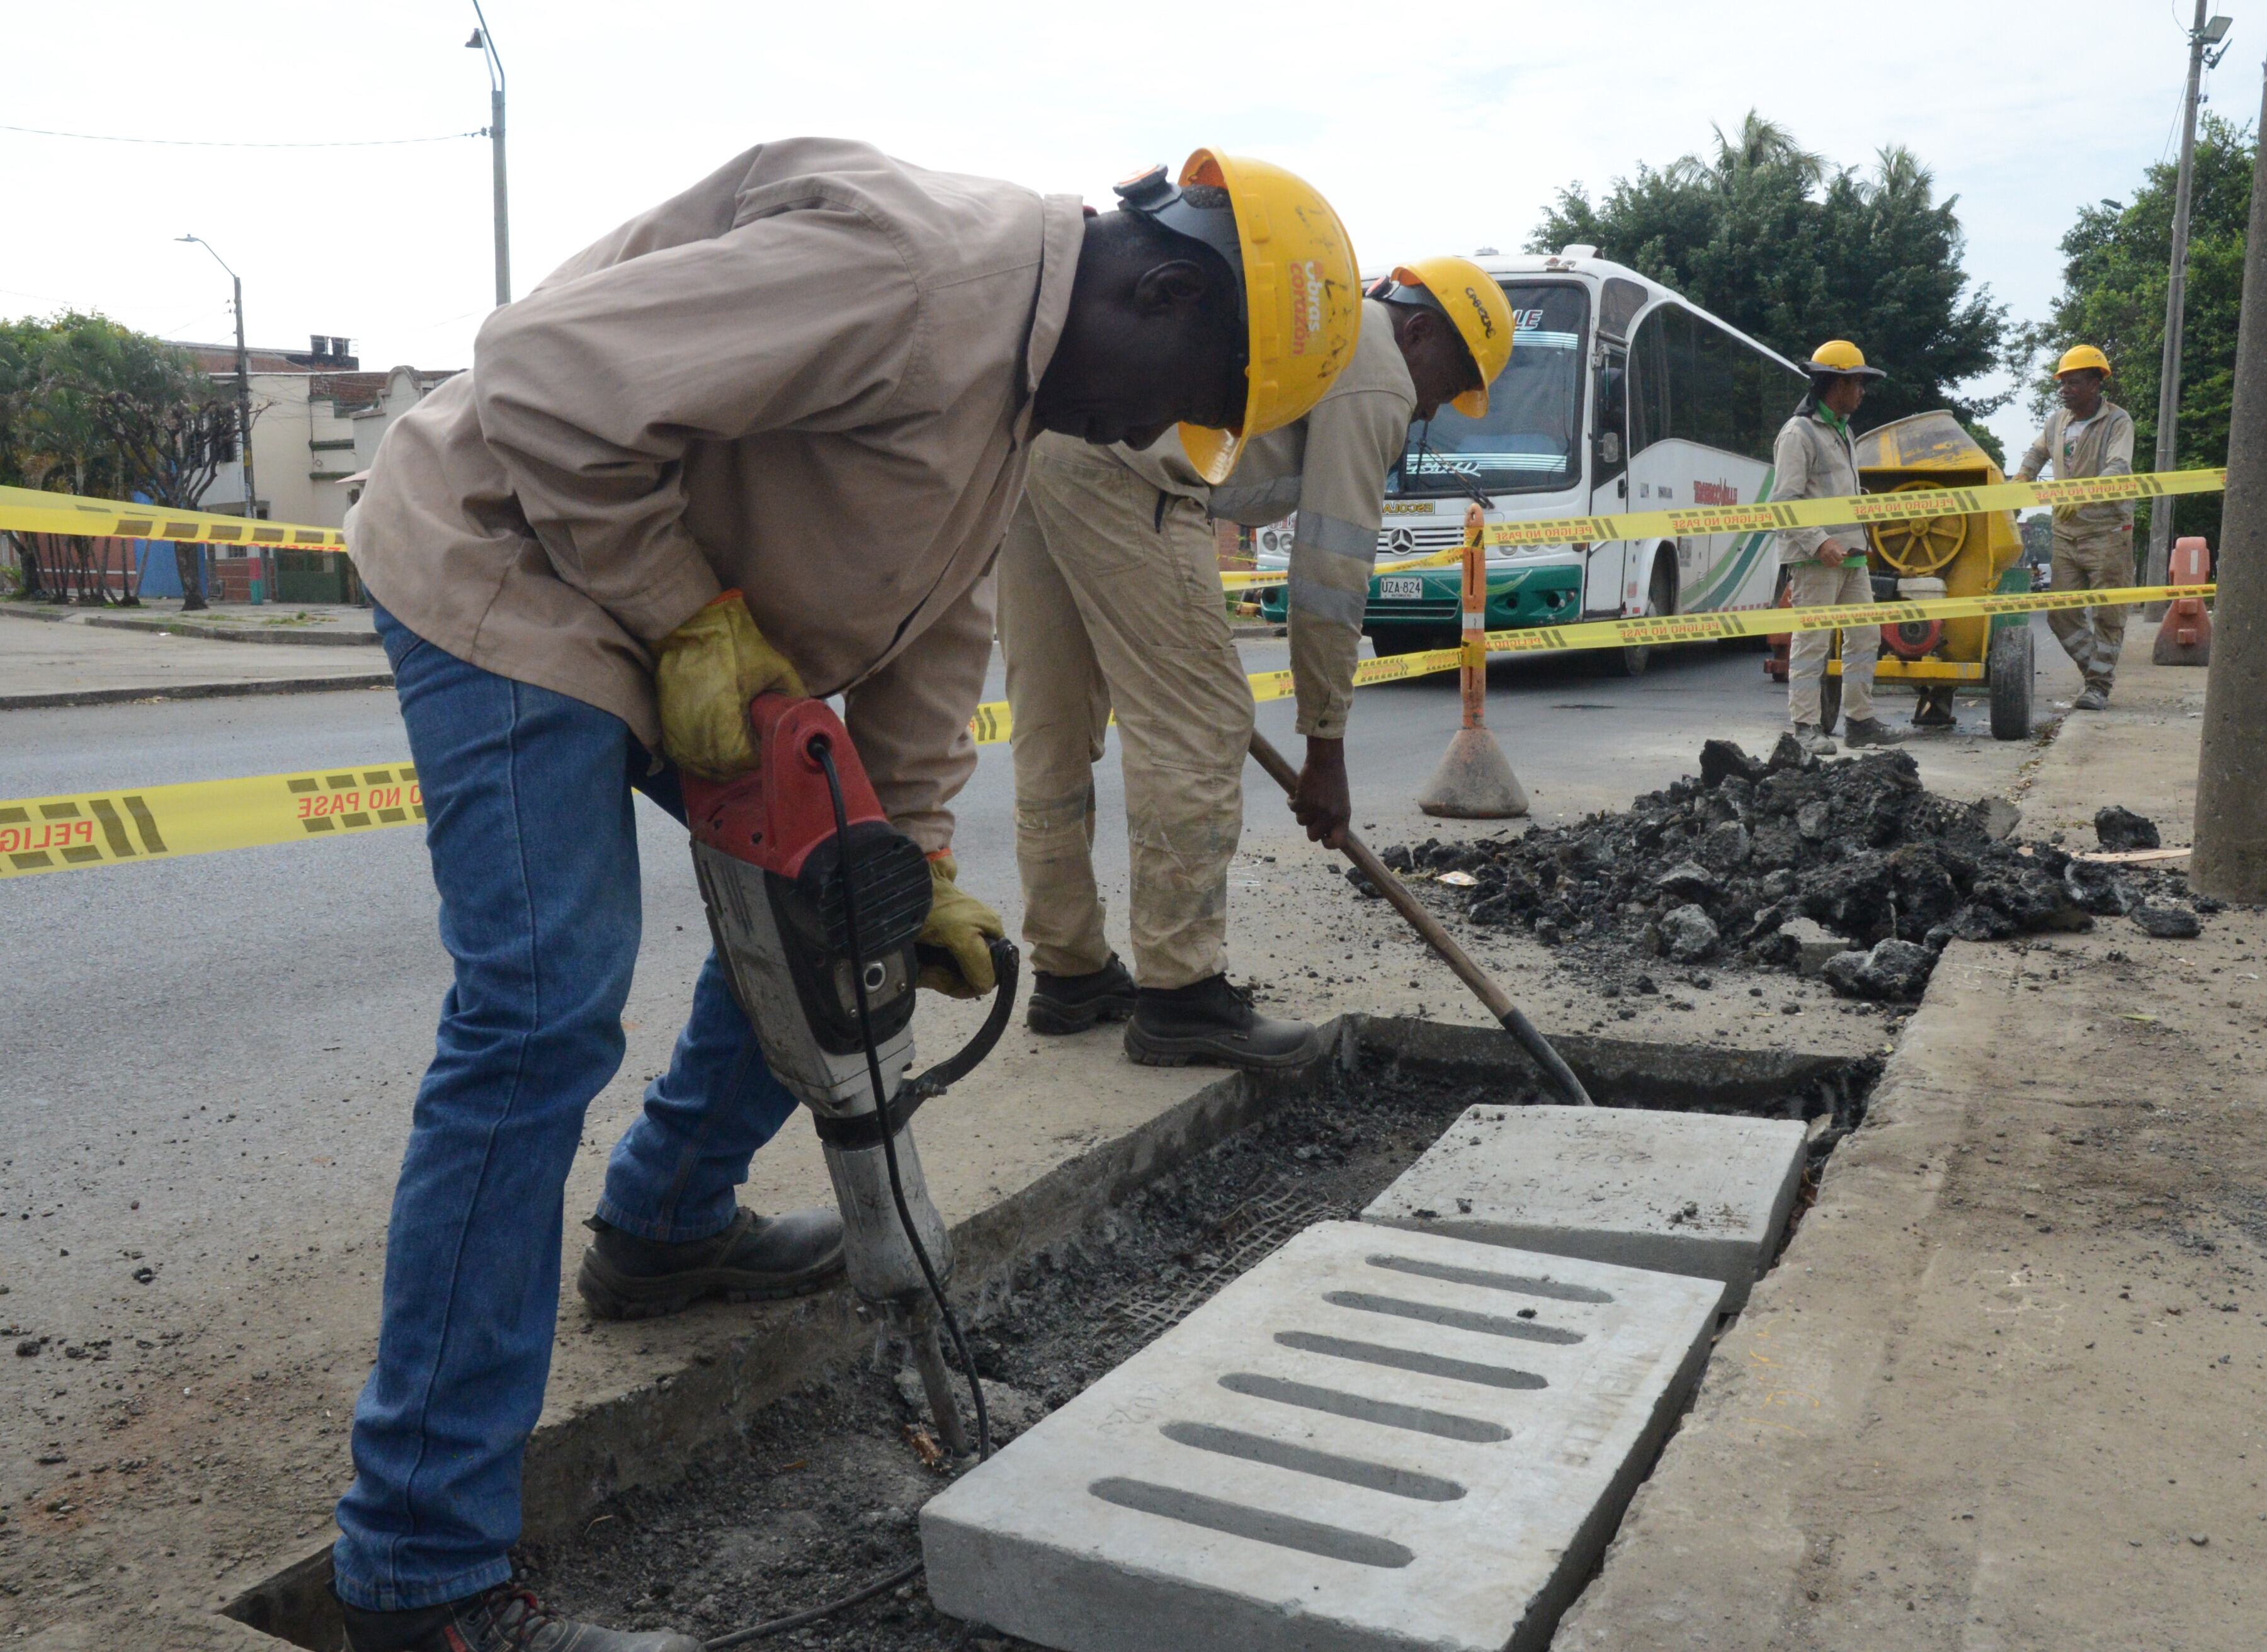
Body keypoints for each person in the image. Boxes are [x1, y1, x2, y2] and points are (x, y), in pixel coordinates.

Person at [329, 138, 1357, 1652]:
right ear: (1159, 289)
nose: (1153, 432)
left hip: (680, 622)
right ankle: (421, 1574)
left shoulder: (1020, 389)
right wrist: (689, 619)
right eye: (1181, 396)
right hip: (513, 562)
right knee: (543, 1007)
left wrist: (913, 856)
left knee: (840, 918)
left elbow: (930, 641)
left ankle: (666, 1224)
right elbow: (542, 375)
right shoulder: (914, 270)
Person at [998, 257, 1511, 1068]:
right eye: (1446, 388)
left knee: (1051, 728)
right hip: (1130, 470)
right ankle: (1180, 996)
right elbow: (1331, 571)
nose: (1430, 410)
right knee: (1201, 724)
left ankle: (1070, 969)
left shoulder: (1321, 322)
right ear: (1419, 330)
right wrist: (1325, 747)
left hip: (1044, 447)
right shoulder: (1379, 368)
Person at [1775, 341, 1901, 750]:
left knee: (1865, 636)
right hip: (1817, 559)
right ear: (1837, 384)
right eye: (1858, 383)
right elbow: (1784, 502)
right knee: (1812, 641)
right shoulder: (1799, 433)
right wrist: (1818, 542)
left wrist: (1863, 518)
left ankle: (1860, 721)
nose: (1862, 392)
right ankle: (1805, 728)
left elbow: (1837, 491)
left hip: (1851, 556)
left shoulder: (1844, 431)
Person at [2015, 344, 2137, 710]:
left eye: (2073, 383)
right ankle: (2095, 672)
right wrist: (2022, 477)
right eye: (2062, 383)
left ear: (2095, 384)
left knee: (2108, 613)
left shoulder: (2118, 422)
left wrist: (2082, 496)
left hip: (2107, 531)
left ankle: (2098, 687)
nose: (2064, 390)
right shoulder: (2058, 422)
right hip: (2066, 532)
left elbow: (2118, 467)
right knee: (2061, 614)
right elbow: (2038, 452)